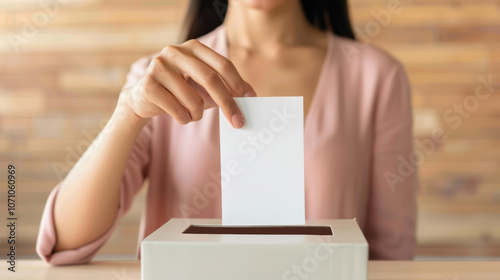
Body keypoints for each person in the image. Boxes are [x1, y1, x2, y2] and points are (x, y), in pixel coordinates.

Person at [36, 0, 417, 265]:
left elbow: (391, 252)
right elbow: (65, 245)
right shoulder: (158, 80)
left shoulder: (376, 77)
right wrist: (128, 112)